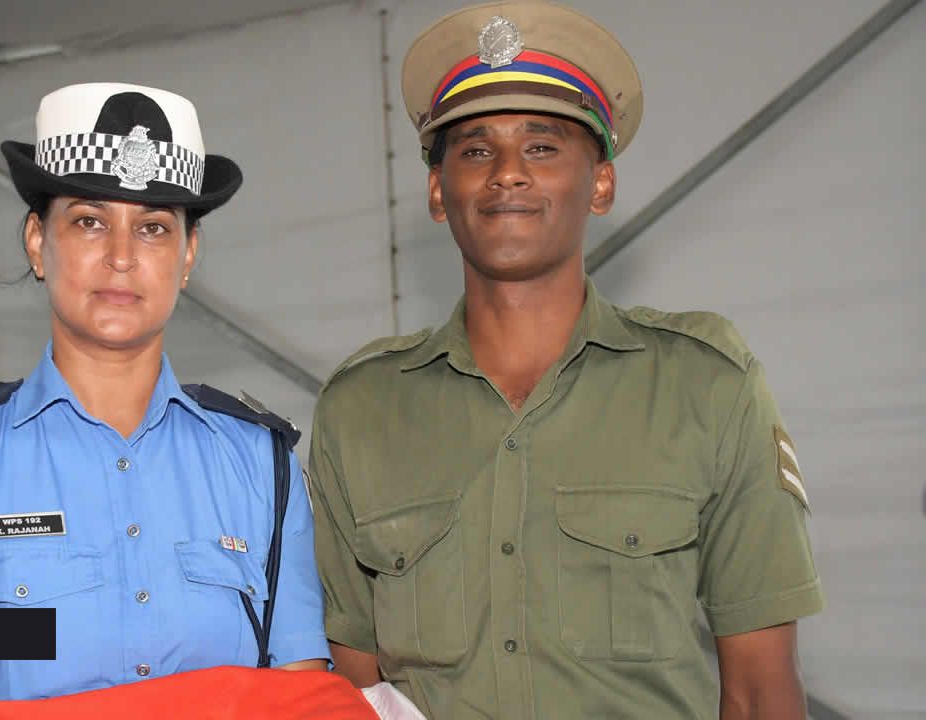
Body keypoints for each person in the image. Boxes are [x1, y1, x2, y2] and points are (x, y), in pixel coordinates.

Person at [308, 3, 824, 719]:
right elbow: (353, 695)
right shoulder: (360, 408)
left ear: (602, 185)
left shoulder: (706, 384)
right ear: (437, 191)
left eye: (544, 148)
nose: (507, 174)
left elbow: (764, 692)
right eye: (476, 150)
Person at [0, 82, 329, 719]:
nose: (121, 257)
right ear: (37, 242)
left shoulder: (261, 465)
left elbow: (303, 702)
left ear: (188, 255)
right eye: (88, 221)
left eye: (154, 228)